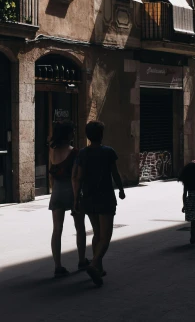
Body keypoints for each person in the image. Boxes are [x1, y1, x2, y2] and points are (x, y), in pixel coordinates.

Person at [73, 120, 125, 286]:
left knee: (97, 233)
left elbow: (79, 178)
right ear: (101, 135)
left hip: (88, 198)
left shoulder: (82, 153)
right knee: (106, 236)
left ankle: (99, 268)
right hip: (105, 197)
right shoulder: (108, 152)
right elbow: (115, 173)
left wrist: (76, 200)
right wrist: (121, 189)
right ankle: (94, 264)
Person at [47, 121, 88, 277]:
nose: (73, 134)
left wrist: (53, 191)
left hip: (57, 191)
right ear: (68, 134)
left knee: (57, 230)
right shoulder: (75, 152)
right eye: (72, 132)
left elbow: (52, 173)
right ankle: (82, 260)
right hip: (72, 191)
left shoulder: (52, 150)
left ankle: (58, 266)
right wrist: (77, 197)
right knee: (80, 227)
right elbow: (75, 177)